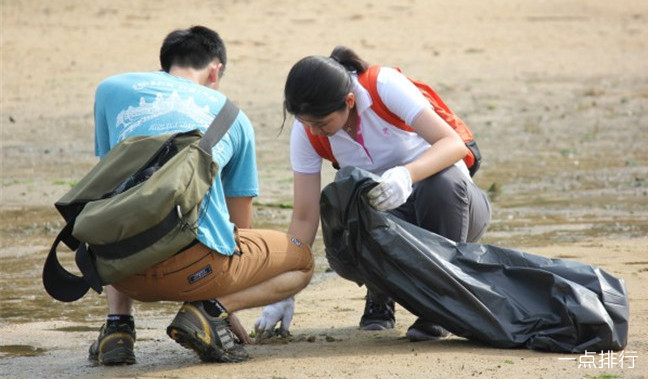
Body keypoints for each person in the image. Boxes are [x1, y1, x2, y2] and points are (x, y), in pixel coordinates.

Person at [88, 25, 314, 365]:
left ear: (165, 64)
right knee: (303, 261)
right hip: (195, 274)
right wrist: (226, 304)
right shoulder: (232, 116)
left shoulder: (110, 90)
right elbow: (240, 232)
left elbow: (108, 185)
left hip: (120, 271)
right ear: (216, 70)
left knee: (121, 200)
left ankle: (118, 328)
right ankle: (208, 311)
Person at [257, 46, 491, 342]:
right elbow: (304, 216)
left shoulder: (383, 86)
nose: (315, 132)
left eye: (322, 123)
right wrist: (284, 289)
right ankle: (379, 295)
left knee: (441, 181)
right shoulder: (307, 132)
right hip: (390, 220)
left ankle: (442, 304)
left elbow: (453, 144)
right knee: (347, 193)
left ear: (350, 101)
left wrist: (407, 175)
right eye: (307, 124)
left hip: (456, 210)